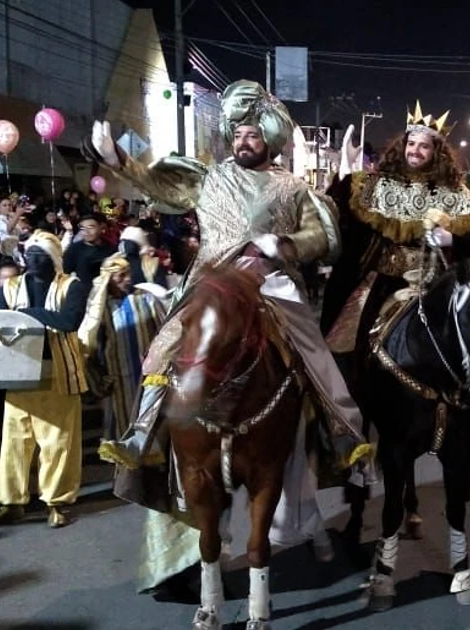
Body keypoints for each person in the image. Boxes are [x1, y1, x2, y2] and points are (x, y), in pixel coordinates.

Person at [88, 80, 369, 599]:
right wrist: (116, 158)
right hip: (210, 286)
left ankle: (341, 431)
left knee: (313, 354)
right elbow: (158, 184)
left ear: (268, 138)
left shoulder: (292, 187)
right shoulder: (210, 177)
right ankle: (142, 432)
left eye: (251, 133)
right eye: (237, 133)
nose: (243, 140)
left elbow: (324, 238)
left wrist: (283, 243)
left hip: (269, 284)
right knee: (164, 349)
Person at [320, 101, 470, 377]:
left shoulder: (455, 193)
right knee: (341, 343)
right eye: (412, 143)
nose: (415, 151)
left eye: (424, 146)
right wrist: (343, 179)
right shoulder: (376, 185)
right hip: (380, 282)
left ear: (436, 152)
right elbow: (345, 221)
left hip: (435, 283)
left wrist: (452, 239)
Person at [0, 231, 90, 529]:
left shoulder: (72, 286)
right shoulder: (11, 285)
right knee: (15, 441)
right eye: (30, 255)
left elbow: (69, 321)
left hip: (58, 374)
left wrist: (25, 315)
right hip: (19, 373)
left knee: (58, 442)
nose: (33, 260)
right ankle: (11, 501)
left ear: (54, 260)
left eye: (41, 256)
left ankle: (58, 502)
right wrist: (38, 317)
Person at [77, 254, 166, 444]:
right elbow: (90, 347)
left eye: (128, 274)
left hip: (149, 376)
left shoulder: (146, 299)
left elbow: (165, 332)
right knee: (121, 423)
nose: (128, 279)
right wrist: (99, 380)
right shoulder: (100, 310)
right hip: (118, 379)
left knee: (152, 420)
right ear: (108, 280)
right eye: (121, 276)